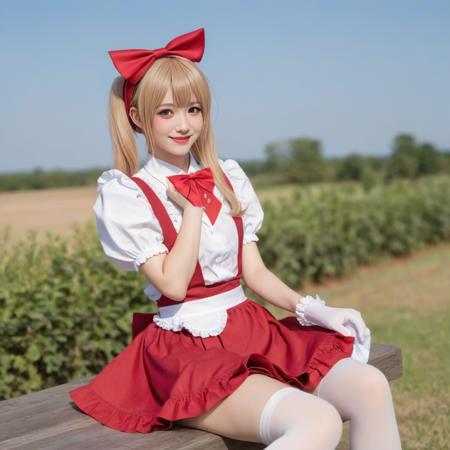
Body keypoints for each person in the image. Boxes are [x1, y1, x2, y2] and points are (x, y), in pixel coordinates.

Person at [69, 28, 402, 449]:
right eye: (166, 112)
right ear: (137, 117)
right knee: (317, 422)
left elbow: (255, 272)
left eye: (194, 109)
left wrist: (314, 310)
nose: (184, 124)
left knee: (371, 385)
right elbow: (172, 283)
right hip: (185, 350)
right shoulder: (130, 194)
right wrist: (190, 208)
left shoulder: (229, 178)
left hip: (250, 328)